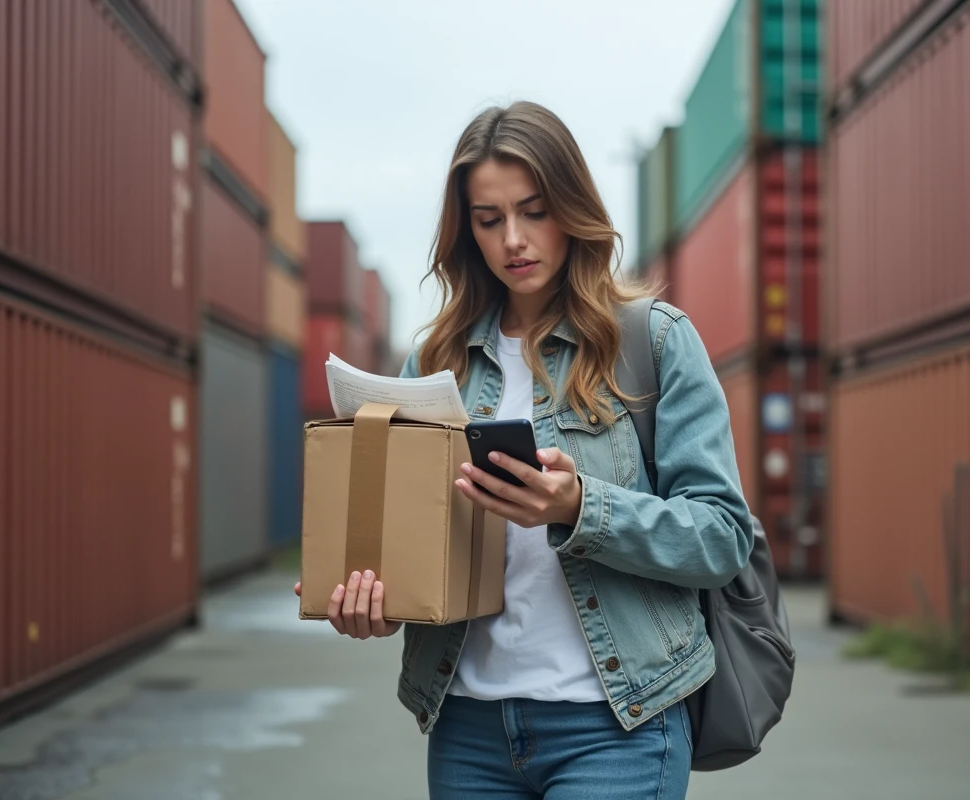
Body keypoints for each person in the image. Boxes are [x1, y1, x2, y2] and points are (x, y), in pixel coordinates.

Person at [294, 100, 754, 799]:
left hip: (617, 731)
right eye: (488, 219)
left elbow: (722, 537)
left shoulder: (650, 343)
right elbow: (416, 546)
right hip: (468, 731)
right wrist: (374, 601)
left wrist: (580, 507)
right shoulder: (435, 360)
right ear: (466, 230)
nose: (513, 238)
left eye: (534, 210)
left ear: (571, 207)